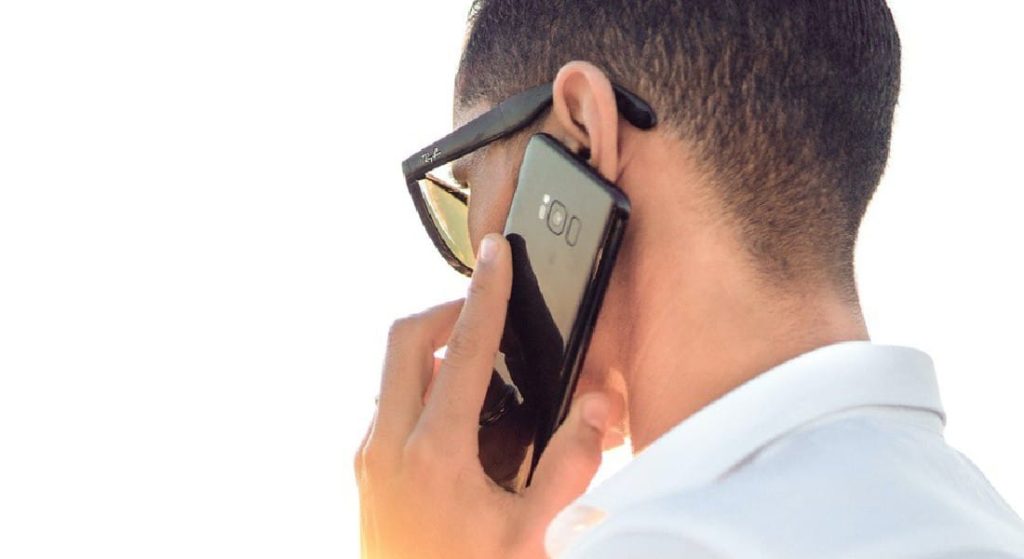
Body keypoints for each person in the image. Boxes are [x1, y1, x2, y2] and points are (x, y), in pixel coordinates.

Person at [354, 1, 1024, 557]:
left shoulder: (663, 542)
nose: (472, 261)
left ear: (582, 138)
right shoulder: (981, 519)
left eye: (470, 188)